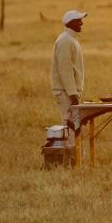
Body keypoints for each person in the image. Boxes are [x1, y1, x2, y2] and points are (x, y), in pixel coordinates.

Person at [50, 10, 87, 144]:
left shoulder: (71, 39)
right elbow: (65, 70)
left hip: (70, 92)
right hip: (66, 92)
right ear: (70, 23)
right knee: (71, 126)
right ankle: (71, 159)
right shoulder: (65, 41)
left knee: (74, 126)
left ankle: (73, 158)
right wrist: (72, 93)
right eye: (78, 21)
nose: (82, 23)